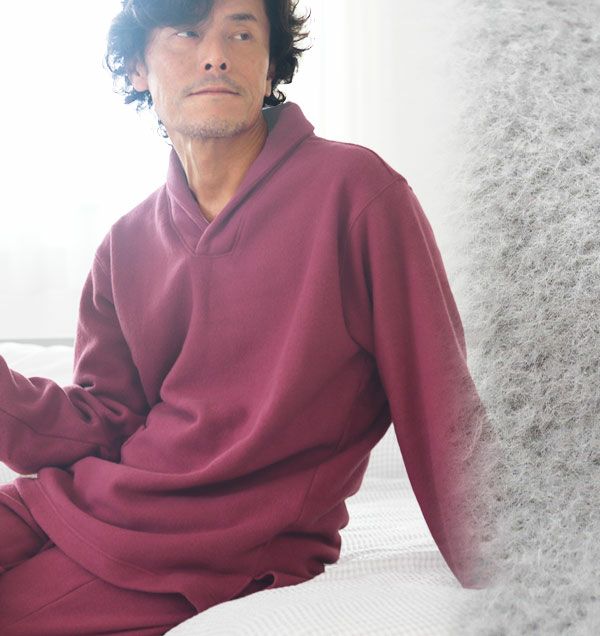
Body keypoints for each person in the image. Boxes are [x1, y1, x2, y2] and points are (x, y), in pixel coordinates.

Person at [0, 0, 491, 633]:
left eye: (241, 32)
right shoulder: (125, 244)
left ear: (270, 68)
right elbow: (105, 423)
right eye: (187, 33)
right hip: (78, 501)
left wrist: (524, 573)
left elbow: (439, 402)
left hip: (210, 546)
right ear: (137, 69)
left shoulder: (357, 193)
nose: (215, 55)